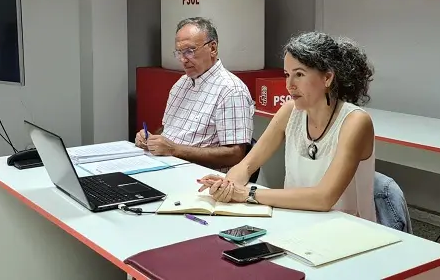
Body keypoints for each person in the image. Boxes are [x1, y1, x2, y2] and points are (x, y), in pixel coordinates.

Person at [196, 31, 377, 220]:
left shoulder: (355, 121)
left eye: (299, 74)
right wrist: (229, 186)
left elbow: (324, 198)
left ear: (327, 78)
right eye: (286, 75)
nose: (289, 85)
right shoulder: (290, 111)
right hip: (297, 223)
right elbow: (246, 166)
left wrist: (248, 194)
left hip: (350, 233)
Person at [134, 17, 255, 171]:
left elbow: (235, 154)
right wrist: (151, 139)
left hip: (198, 175)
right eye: (179, 53)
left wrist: (174, 150)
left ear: (213, 48)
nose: (183, 60)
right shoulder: (181, 83)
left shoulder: (231, 90)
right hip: (165, 165)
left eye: (190, 51)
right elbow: (167, 129)